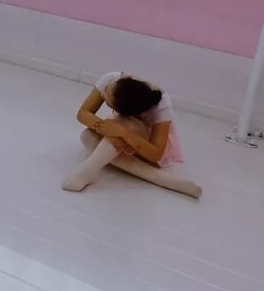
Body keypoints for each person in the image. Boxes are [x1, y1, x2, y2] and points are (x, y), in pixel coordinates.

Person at [63, 72, 201, 198]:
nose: (103, 92)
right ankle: (161, 179)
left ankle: (88, 170)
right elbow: (83, 113)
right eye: (106, 90)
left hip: (147, 144)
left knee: (121, 122)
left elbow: (156, 154)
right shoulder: (111, 79)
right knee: (87, 136)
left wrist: (124, 133)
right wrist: (109, 131)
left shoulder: (162, 104)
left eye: (107, 95)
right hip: (123, 133)